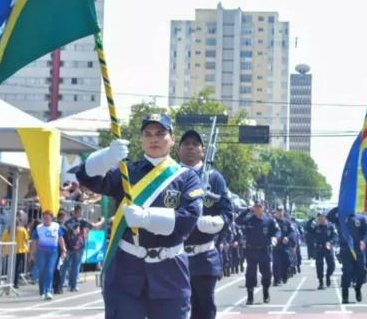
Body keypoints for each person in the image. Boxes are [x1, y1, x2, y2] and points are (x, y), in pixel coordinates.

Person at [74, 113, 203, 319]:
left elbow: (189, 218)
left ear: (172, 138)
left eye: (161, 134)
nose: (154, 139)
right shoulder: (126, 171)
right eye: (148, 134)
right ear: (141, 139)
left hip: (170, 273)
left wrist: (146, 218)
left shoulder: (186, 177)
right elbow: (85, 177)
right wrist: (106, 156)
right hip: (126, 272)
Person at [177, 129, 233, 319]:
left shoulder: (214, 178)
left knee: (204, 308)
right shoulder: (170, 175)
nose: (190, 147)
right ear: (178, 149)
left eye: (195, 144)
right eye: (186, 143)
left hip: (203, 256)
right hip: (173, 255)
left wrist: (215, 223)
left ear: (202, 150)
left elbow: (227, 214)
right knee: (174, 307)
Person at [235, 201, 280, 305]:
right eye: (256, 207)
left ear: (264, 207)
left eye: (260, 207)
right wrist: (247, 209)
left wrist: (275, 238)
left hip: (264, 250)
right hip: (251, 250)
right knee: (250, 274)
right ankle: (250, 296)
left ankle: (266, 292)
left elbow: (277, 230)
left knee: (267, 273)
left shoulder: (269, 220)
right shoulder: (249, 219)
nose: (258, 209)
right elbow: (237, 221)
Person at [326, 206, 367, 304]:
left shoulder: (361, 218)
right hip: (346, 248)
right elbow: (329, 217)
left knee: (362, 271)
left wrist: (364, 241)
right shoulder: (340, 218)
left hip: (358, 248)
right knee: (347, 272)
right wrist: (340, 205)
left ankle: (358, 288)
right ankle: (345, 295)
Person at [29, 210, 67, 300]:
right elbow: (34, 242)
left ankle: (48, 291)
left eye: (48, 217)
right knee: (42, 270)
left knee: (49, 270)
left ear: (51, 218)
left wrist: (64, 249)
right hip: (41, 251)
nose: (46, 219)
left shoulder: (56, 226)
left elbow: (61, 239)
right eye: (44, 217)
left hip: (53, 251)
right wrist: (32, 254)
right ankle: (42, 291)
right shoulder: (39, 228)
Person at [313, 211, 337, 290]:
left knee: (332, 266)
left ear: (325, 217)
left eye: (321, 216)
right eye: (319, 217)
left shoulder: (331, 226)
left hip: (328, 248)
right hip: (319, 249)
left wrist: (330, 242)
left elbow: (335, 236)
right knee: (319, 265)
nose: (320, 218)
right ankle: (321, 282)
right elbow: (310, 232)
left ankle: (328, 275)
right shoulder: (316, 227)